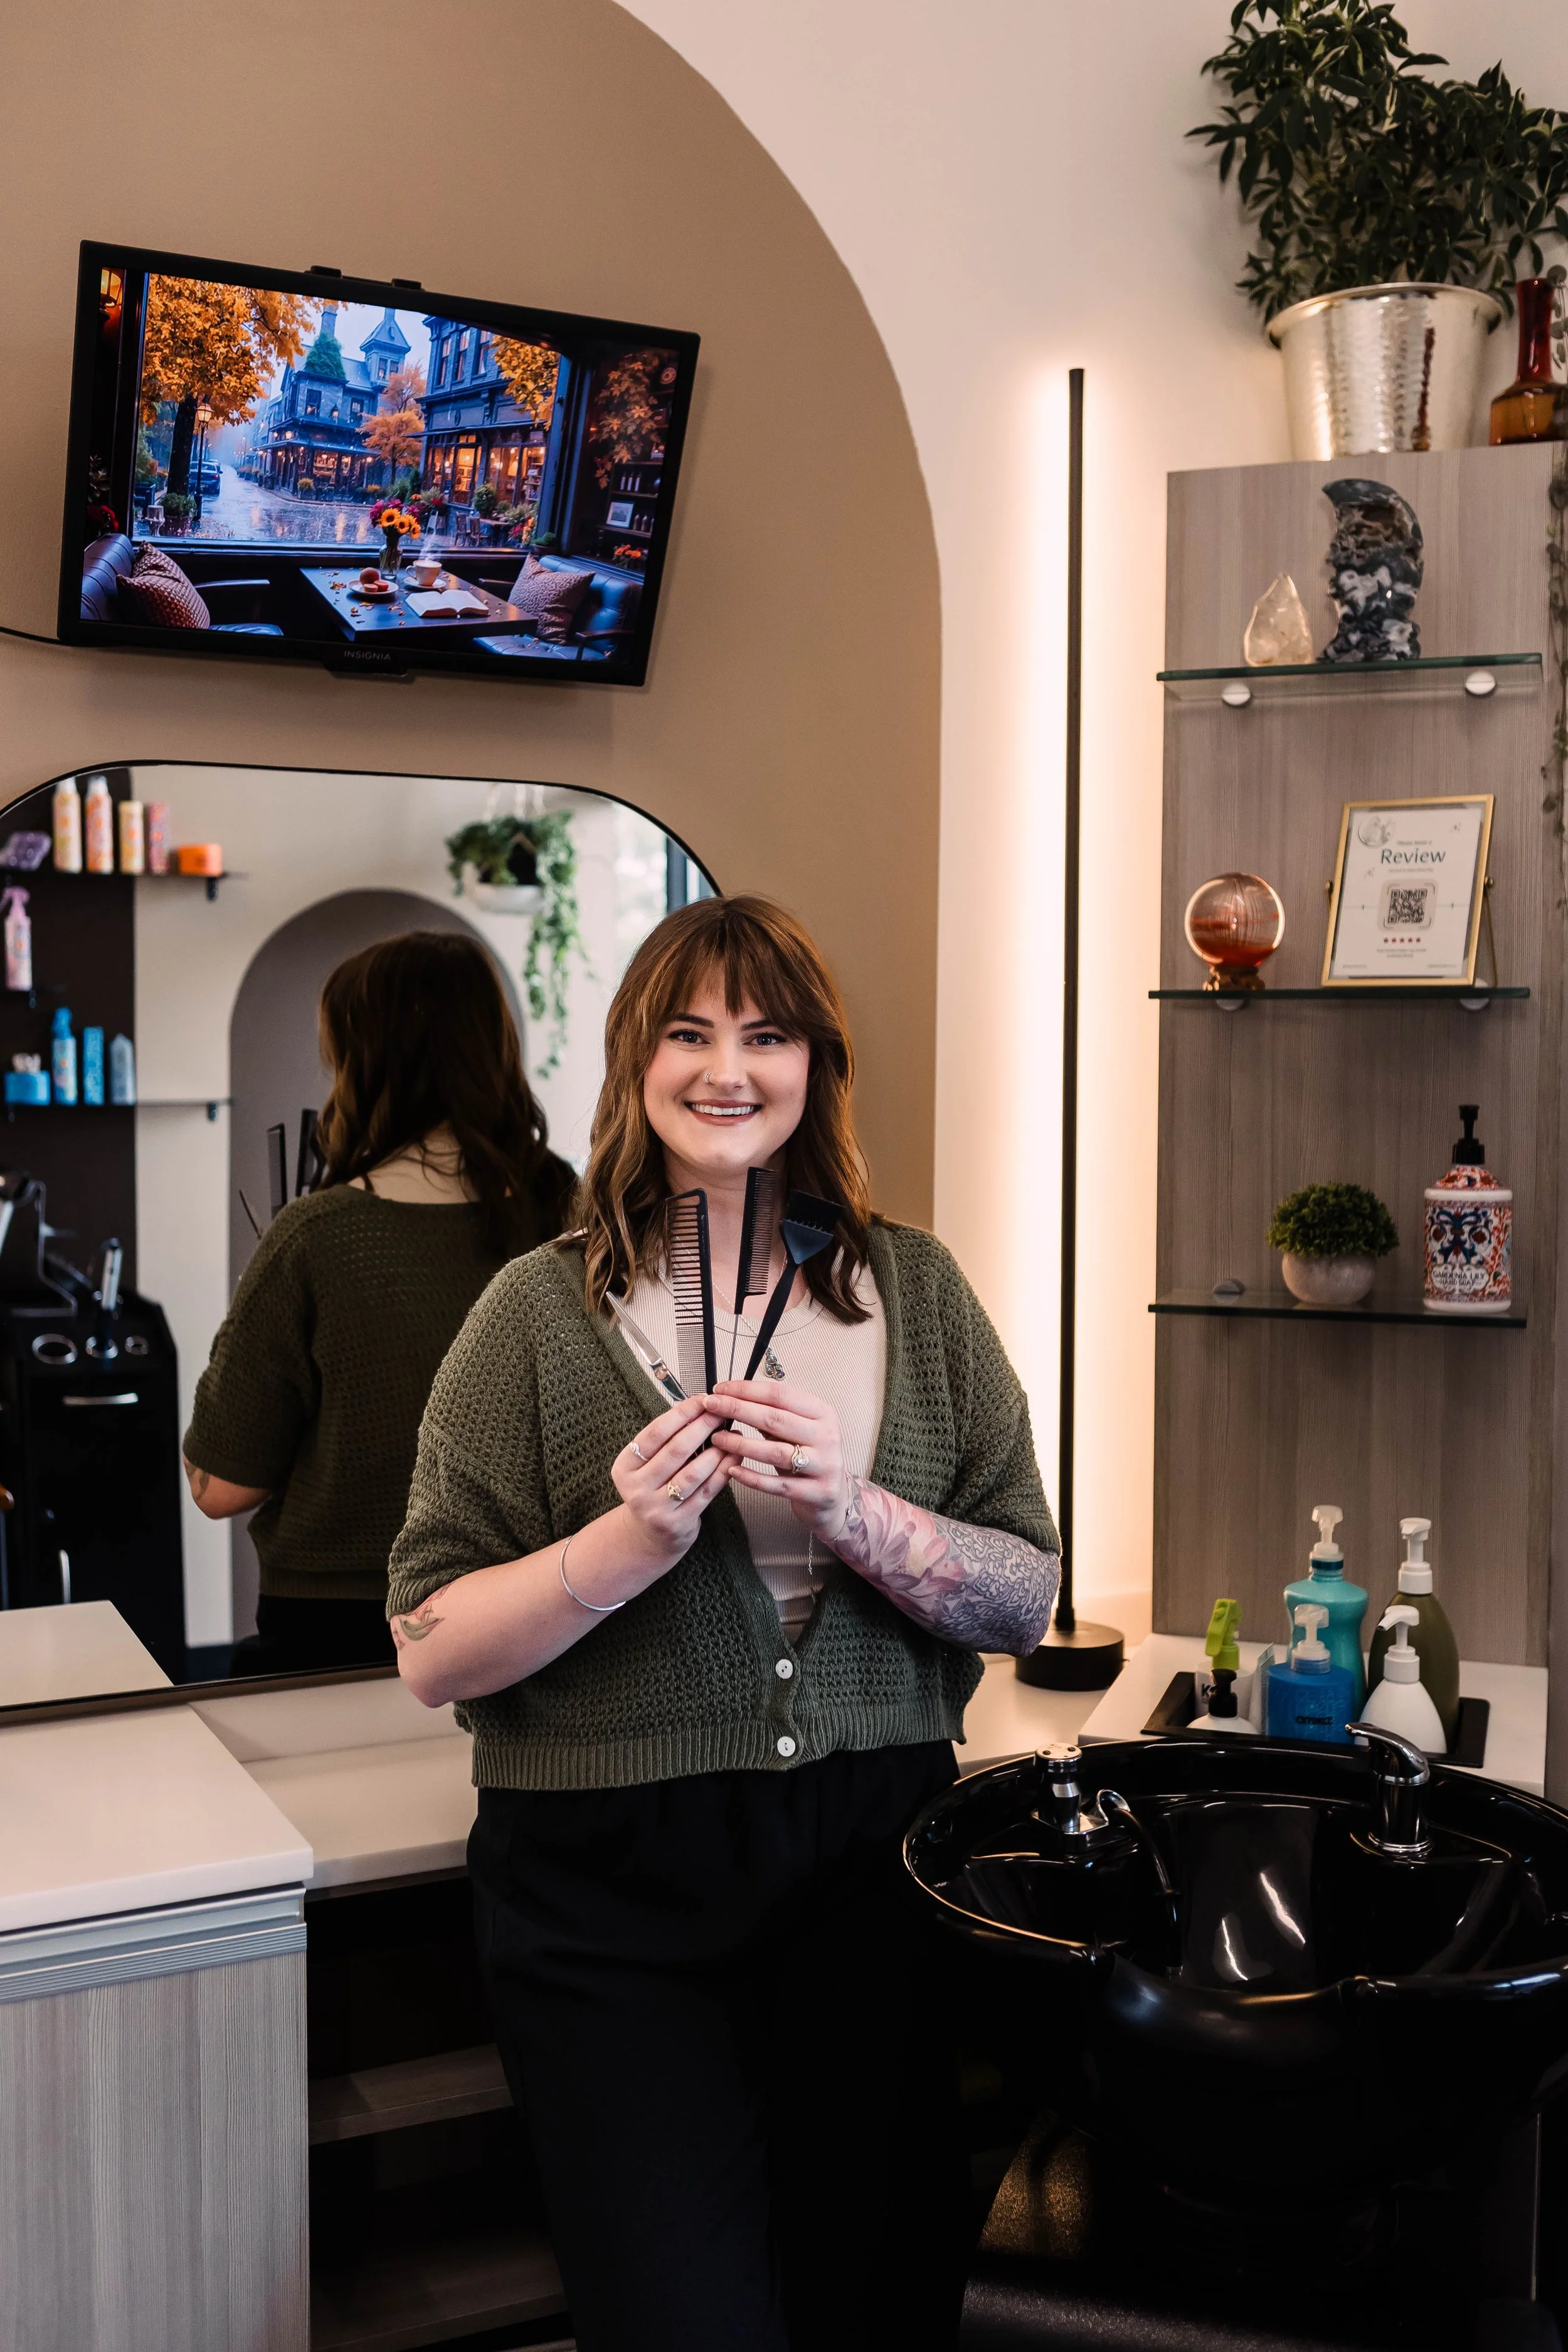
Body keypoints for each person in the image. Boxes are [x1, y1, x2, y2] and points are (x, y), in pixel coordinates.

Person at [386, 894, 1060, 2352]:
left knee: (873, 2305)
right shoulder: (533, 1313)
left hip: (872, 1865)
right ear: (636, 1060)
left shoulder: (917, 1291)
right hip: (603, 1893)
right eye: (687, 1033)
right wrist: (623, 1545)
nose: (727, 1068)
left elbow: (1026, 1596)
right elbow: (428, 1648)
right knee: (676, 2316)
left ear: (817, 1063)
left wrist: (853, 1509)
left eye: (767, 1034)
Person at [183, 929, 575, 1675]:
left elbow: (218, 1487)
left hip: (338, 1632)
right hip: (539, 1616)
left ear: (361, 1064)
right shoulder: (576, 1216)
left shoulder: (314, 1238)